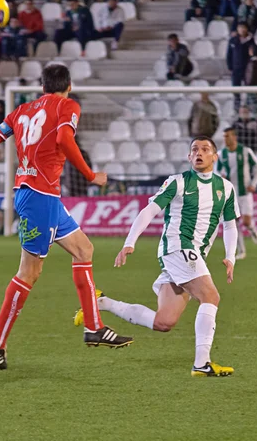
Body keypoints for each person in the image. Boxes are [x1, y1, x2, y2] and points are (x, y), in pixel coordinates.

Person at [0, 64, 132, 369]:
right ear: (68, 86)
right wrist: (90, 175)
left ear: (42, 86)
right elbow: (64, 141)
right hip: (39, 198)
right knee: (29, 273)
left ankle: (93, 328)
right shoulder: (67, 106)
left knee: (84, 249)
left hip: (42, 196)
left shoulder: (20, 111)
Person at [74, 136, 239, 377]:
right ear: (188, 156)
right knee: (210, 296)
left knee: (164, 322)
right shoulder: (178, 182)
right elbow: (149, 210)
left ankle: (100, 302)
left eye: (205, 149)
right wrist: (129, 243)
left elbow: (231, 225)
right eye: (194, 149)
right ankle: (201, 364)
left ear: (215, 156)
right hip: (178, 248)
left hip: (193, 255)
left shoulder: (226, 188)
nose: (199, 153)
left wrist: (230, 257)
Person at [217, 127, 257, 260]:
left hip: (245, 192)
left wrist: (253, 184)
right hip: (230, 194)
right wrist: (221, 178)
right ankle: (241, 251)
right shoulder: (221, 154)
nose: (225, 139)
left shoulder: (246, 151)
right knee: (233, 223)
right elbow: (216, 172)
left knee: (246, 221)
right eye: (224, 136)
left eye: (228, 136)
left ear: (234, 137)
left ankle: (252, 229)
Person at [227, 22, 254, 110]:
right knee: (236, 91)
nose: (242, 29)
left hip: (247, 69)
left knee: (249, 91)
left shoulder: (251, 40)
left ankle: (248, 109)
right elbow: (229, 54)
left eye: (244, 27)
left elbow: (254, 53)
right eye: (240, 27)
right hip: (236, 69)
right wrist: (230, 66)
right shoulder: (233, 40)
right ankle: (236, 109)